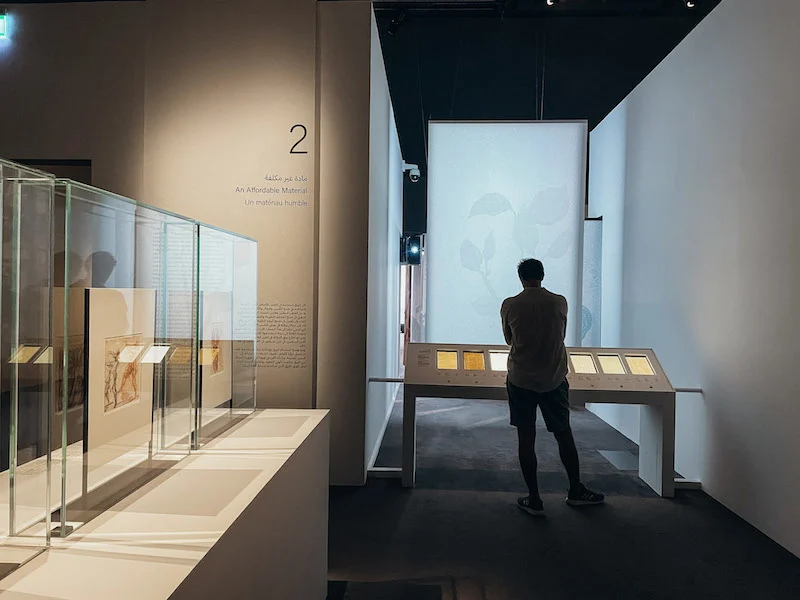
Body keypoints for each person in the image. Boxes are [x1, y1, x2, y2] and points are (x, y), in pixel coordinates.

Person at [501, 258, 604, 517]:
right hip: (554, 377)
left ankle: (534, 498)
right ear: (542, 276)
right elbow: (561, 334)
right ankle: (575, 489)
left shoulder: (510, 305)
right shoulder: (559, 302)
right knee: (563, 434)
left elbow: (508, 340)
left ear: (521, 278)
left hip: (520, 378)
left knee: (526, 437)